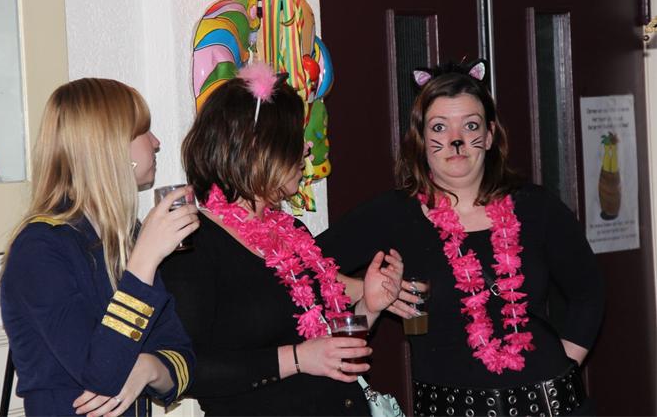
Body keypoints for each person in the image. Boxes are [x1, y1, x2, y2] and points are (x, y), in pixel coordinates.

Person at [316, 60, 604, 417]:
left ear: (489, 135)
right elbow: (303, 267)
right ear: (422, 139)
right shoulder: (393, 213)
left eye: (470, 126)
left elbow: (588, 292)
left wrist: (564, 365)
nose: (456, 140)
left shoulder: (536, 207)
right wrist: (370, 293)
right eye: (440, 127)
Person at [159, 64, 406, 416]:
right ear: (259, 147)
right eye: (296, 138)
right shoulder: (194, 243)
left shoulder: (293, 232)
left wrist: (370, 306)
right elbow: (187, 370)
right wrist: (296, 358)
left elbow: (329, 349)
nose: (307, 149)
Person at [0, 78, 199, 416]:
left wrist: (147, 368)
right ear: (110, 147)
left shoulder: (123, 235)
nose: (156, 142)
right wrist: (144, 261)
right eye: (143, 132)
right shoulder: (40, 248)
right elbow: (101, 375)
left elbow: (184, 360)